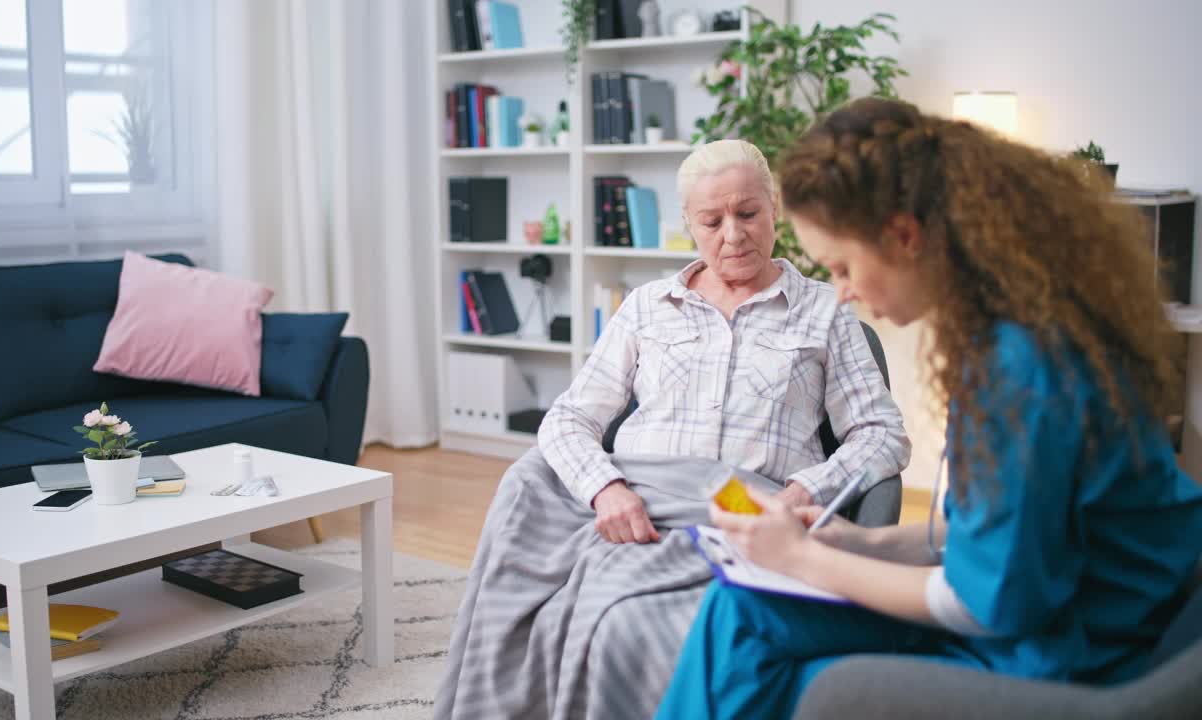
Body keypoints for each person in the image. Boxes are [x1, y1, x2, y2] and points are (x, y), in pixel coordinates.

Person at [656, 97, 1202, 720]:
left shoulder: (1017, 370)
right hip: (1062, 616)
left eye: (842, 266)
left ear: (905, 238)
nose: (843, 292)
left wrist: (806, 558)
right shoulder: (1009, 328)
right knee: (740, 613)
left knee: (752, 639)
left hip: (1067, 652)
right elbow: (1003, 532)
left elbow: (983, 602)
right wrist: (865, 541)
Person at [434, 139, 911, 719]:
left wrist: (805, 491)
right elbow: (569, 418)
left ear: (775, 207)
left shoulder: (825, 310)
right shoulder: (646, 305)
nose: (733, 235)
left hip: (735, 505)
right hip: (626, 495)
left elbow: (882, 432)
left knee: (615, 621)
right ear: (688, 224)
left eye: (748, 213)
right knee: (524, 489)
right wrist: (605, 489)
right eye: (712, 221)